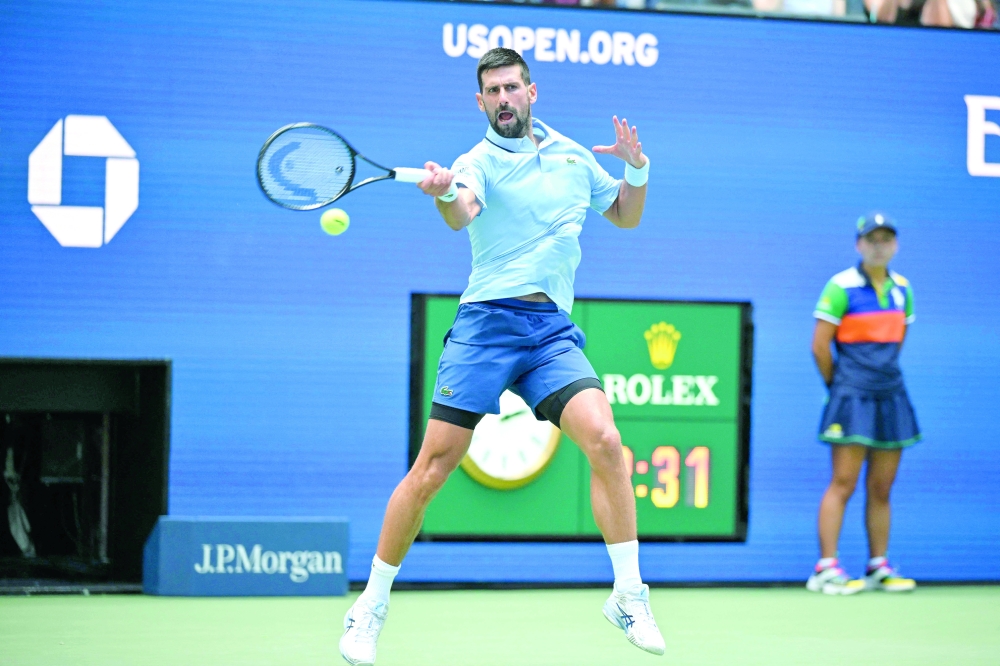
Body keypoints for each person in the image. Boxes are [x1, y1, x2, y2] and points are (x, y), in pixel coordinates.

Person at [339, 48, 664, 665]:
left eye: (513, 87)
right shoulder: (475, 163)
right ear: (481, 101)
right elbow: (462, 213)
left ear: (532, 92)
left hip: (549, 330)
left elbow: (624, 215)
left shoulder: (572, 156)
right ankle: (370, 607)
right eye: (493, 91)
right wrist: (441, 194)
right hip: (487, 323)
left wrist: (638, 169)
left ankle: (628, 594)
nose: (504, 98)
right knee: (433, 466)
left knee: (605, 440)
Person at [807, 214, 920, 596]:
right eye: (872, 239)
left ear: (895, 246)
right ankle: (826, 568)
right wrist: (840, 386)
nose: (879, 245)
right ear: (859, 244)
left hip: (891, 394)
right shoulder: (840, 286)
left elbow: (897, 342)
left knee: (882, 486)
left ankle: (878, 566)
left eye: (886, 239)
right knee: (843, 482)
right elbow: (820, 347)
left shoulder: (903, 289)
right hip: (850, 395)